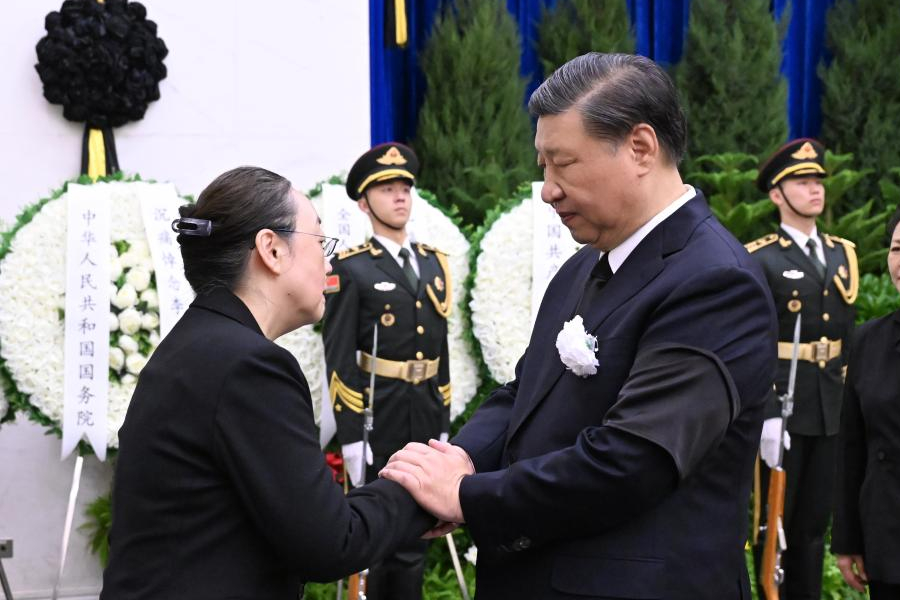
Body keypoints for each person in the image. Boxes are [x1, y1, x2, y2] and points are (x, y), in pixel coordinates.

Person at [381, 52, 777, 599]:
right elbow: (526, 392)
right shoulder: (584, 264)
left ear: (640, 148)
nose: (547, 189)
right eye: (543, 166)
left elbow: (632, 461)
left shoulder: (713, 282)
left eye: (562, 164)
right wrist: (464, 457)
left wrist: (469, 497)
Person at [100, 166, 432, 599]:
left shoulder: (198, 343)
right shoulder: (248, 366)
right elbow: (331, 543)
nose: (328, 261)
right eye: (320, 241)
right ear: (271, 250)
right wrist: (420, 490)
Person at [322, 142, 451, 600]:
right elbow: (338, 356)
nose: (400, 197)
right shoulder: (351, 268)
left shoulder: (434, 264)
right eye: (386, 189)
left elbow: (441, 349)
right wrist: (352, 436)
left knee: (420, 526)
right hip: (381, 410)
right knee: (381, 531)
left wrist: (444, 422)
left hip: (424, 409)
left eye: (404, 188)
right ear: (363, 202)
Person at [746, 138, 857, 599]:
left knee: (813, 526)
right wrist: (768, 411)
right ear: (777, 194)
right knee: (774, 522)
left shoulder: (841, 253)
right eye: (802, 182)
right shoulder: (760, 258)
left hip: (830, 404)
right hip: (784, 408)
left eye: (817, 181)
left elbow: (846, 338)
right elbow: (752, 345)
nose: (815, 190)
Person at [831, 207, 900, 599]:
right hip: (888, 538)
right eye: (897, 248)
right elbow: (852, 447)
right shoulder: (869, 341)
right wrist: (846, 538)